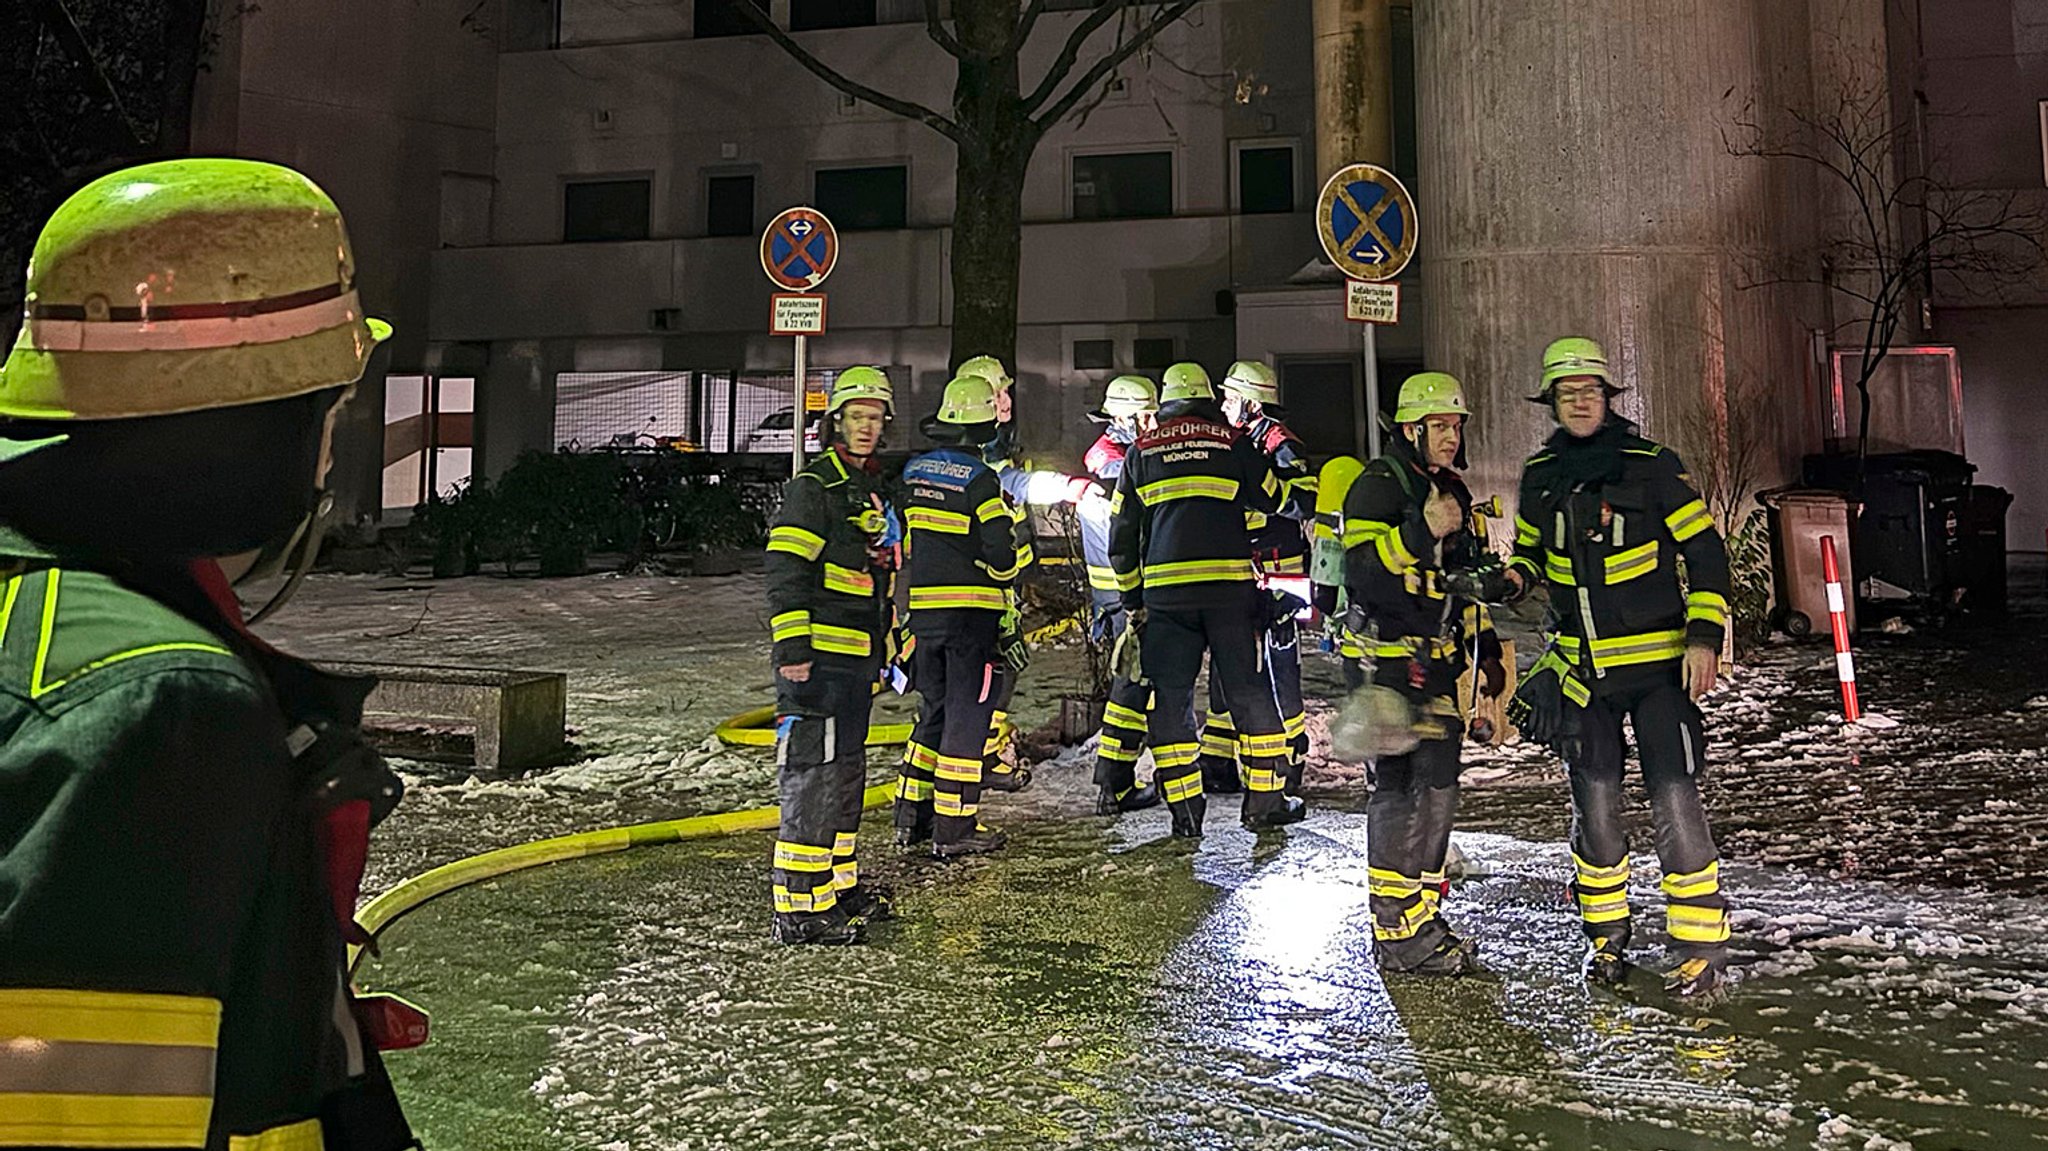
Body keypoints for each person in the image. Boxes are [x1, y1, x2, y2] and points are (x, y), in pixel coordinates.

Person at [0, 158, 416, 1147]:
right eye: (330, 414)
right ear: (254, 434)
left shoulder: (44, 619)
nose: (328, 455)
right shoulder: (161, 707)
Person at [1506, 336, 1733, 1000]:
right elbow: (1529, 554)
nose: (1579, 401)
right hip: (1582, 676)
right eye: (1566, 393)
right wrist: (1513, 578)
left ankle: (1701, 952)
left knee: (1675, 800)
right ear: (1551, 402)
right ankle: (1606, 942)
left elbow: (1708, 554)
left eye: (1590, 391)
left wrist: (1704, 637)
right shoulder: (1540, 473)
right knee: (1597, 809)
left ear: (1608, 397)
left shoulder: (1654, 465)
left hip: (1659, 672)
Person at [1343, 372, 1509, 976]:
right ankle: (1396, 933)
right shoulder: (1375, 488)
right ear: (1411, 429)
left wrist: (1486, 647)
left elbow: (1460, 580)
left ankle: (1420, 914)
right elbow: (1361, 574)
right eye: (1440, 426)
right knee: (1399, 789)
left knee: (1439, 787)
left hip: (1437, 660)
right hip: (1384, 662)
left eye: (1456, 425)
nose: (1451, 436)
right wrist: (1421, 531)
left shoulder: (1451, 490)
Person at [1108, 362, 1305, 837]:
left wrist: (1133, 599)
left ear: (1167, 401)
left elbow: (1121, 535)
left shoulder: (1140, 451)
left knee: (1170, 701)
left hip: (1165, 600)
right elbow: (1276, 499)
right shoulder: (1232, 443)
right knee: (1249, 694)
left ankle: (1185, 814)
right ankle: (1265, 803)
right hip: (1230, 594)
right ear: (1207, 400)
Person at [765, 366, 901, 945]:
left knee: (846, 771)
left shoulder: (865, 488)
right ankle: (798, 907)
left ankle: (837, 886)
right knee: (812, 776)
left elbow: (872, 581)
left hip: (854, 664)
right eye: (857, 417)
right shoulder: (813, 486)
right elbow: (786, 570)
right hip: (816, 662)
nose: (867, 427)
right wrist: (792, 650)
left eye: (875, 418)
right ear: (835, 422)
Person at [893, 374, 1028, 858]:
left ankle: (911, 816)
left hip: (924, 617)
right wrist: (1007, 563)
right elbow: (1001, 553)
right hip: (972, 620)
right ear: (984, 428)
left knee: (933, 713)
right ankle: (956, 828)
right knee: (967, 721)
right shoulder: (981, 479)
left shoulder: (914, 472)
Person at [1199, 360, 1315, 797]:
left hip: (1280, 569)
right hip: (1243, 567)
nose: (1224, 405)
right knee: (1231, 663)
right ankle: (1220, 761)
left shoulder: (1279, 443)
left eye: (1231, 398)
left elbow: (1305, 500)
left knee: (1280, 665)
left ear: (1250, 402)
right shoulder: (1237, 441)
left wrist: (1259, 504)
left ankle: (1289, 759)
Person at [1080, 375, 1163, 815]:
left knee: (1133, 689)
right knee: (1132, 690)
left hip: (1119, 596)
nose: (1153, 421)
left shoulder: (1112, 459)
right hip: (1126, 598)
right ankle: (1115, 785)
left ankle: (1116, 782)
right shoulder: (1117, 466)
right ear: (1124, 418)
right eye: (1146, 415)